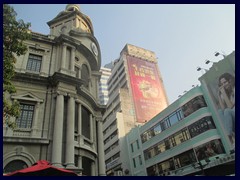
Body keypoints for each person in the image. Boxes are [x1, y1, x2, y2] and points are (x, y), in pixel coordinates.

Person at [217, 72, 235, 145]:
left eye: (225, 82)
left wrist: (223, 93)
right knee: (220, 112)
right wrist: (219, 95)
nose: (224, 85)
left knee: (227, 111)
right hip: (234, 117)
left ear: (230, 81)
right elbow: (223, 108)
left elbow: (231, 107)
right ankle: (229, 133)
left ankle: (229, 136)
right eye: (222, 84)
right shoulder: (227, 93)